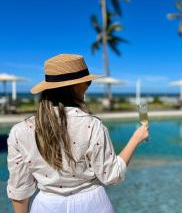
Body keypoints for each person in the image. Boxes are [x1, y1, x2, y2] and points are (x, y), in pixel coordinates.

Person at [7, 54, 149, 213]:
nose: (89, 85)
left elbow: (19, 189)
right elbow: (111, 176)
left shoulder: (20, 131)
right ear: (77, 86)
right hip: (93, 204)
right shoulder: (92, 125)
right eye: (88, 81)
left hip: (46, 206)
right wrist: (136, 138)